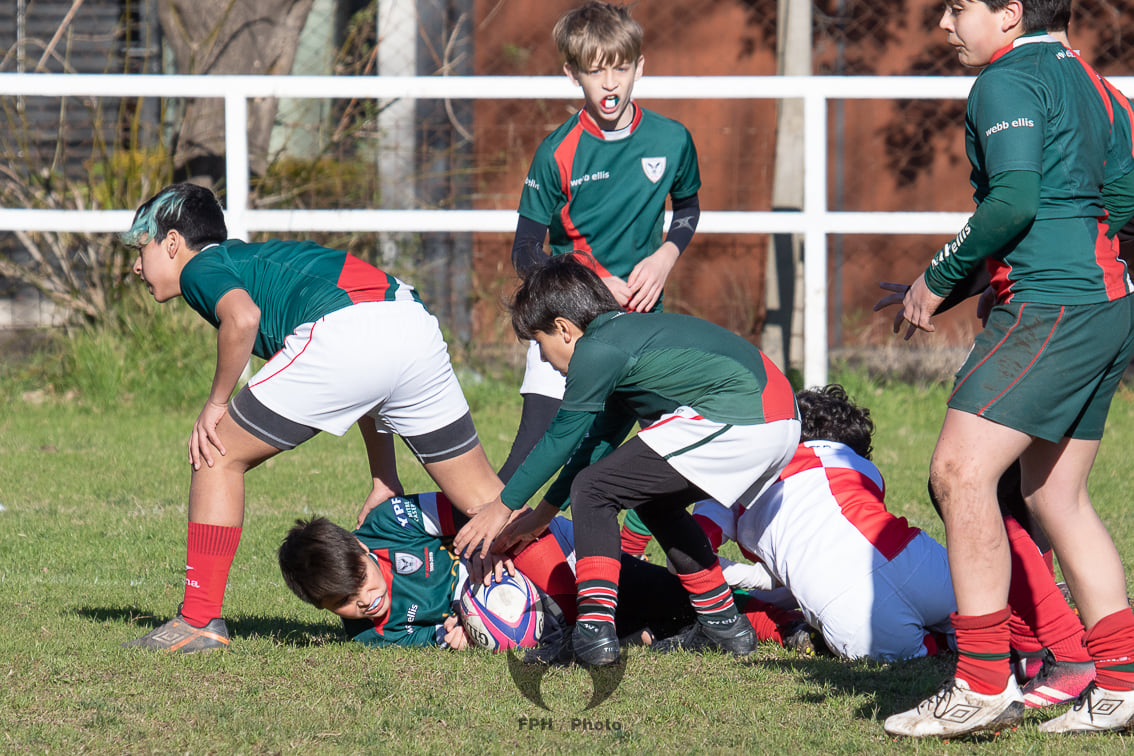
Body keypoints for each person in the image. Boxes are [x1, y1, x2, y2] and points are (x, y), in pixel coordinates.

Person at [881, 0, 1134, 738]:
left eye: (957, 7)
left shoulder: (1005, 78)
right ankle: (1120, 684)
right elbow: (1123, 201)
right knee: (1058, 496)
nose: (944, 24)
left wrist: (939, 274)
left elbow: (1014, 198)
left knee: (959, 473)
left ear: (1010, 14)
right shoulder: (1096, 82)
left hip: (1051, 306)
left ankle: (984, 682)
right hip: (1106, 303)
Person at [118, 182, 504, 653]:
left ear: (173, 242)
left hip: (348, 328)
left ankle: (199, 620)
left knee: (215, 452)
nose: (137, 265)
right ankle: (584, 597)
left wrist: (216, 404)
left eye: (142, 248)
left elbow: (242, 319)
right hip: (410, 320)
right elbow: (369, 374)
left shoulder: (201, 266)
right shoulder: (253, 260)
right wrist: (384, 475)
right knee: (487, 501)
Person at [453, 256, 800, 667]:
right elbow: (595, 446)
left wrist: (502, 505)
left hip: (749, 414)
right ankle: (723, 624)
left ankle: (593, 633)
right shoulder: (620, 341)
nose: (543, 359)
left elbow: (561, 437)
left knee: (595, 489)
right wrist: (540, 517)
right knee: (645, 495)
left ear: (563, 329)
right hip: (773, 418)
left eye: (539, 343)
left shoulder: (596, 349)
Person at [686, 386, 1093, 709]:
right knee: (982, 600)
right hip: (913, 558)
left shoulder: (739, 476)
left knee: (912, 648)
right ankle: (1034, 642)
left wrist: (742, 580)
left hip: (845, 612)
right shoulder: (859, 466)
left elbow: (692, 550)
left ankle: (938, 644)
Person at [497, 1, 702, 483]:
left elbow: (688, 209)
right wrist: (590, 285)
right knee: (527, 465)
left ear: (639, 66)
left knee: (671, 462)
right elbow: (525, 253)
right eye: (595, 71)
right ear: (573, 74)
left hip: (641, 326)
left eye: (621, 68)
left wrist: (666, 256)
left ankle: (677, 558)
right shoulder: (557, 152)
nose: (610, 83)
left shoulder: (672, 140)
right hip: (566, 328)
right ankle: (469, 548)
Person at [278, 492, 805, 652]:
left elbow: (470, 505)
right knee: (630, 627)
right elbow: (436, 640)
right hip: (523, 615)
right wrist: (457, 634)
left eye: (366, 584)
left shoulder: (389, 524)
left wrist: (485, 545)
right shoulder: (373, 637)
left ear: (363, 549)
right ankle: (777, 628)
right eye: (346, 605)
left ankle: (775, 607)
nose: (366, 602)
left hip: (537, 554)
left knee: (652, 592)